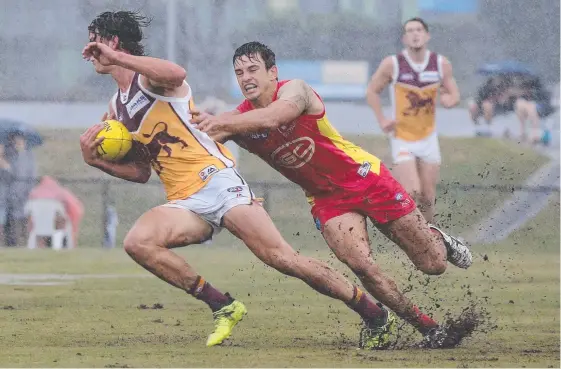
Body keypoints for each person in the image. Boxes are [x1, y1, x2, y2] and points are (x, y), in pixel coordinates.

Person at [80, 10, 400, 349]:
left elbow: (177, 73)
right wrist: (96, 162)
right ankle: (224, 306)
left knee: (284, 260)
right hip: (184, 201)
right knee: (137, 242)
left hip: (217, 182)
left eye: (94, 39)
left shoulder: (148, 80)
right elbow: (142, 172)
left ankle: (374, 313)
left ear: (112, 42)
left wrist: (118, 59)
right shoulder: (116, 107)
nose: (88, 50)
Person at [191, 41, 473, 349]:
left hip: (366, 178)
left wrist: (219, 120)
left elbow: (275, 117)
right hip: (327, 200)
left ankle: (436, 238)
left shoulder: (295, 90)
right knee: (362, 266)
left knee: (433, 265)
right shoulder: (237, 121)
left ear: (273, 72)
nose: (246, 77)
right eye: (239, 72)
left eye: (253, 69)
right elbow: (191, 147)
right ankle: (428, 328)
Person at [366, 17, 460, 224]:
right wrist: (382, 119)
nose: (415, 34)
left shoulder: (440, 64)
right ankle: (411, 237)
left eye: (419, 30)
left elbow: (454, 94)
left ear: (427, 36)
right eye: (410, 31)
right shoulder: (393, 64)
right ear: (404, 38)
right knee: (411, 191)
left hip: (428, 137)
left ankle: (429, 239)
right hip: (402, 137)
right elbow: (372, 91)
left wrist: (449, 100)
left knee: (427, 196)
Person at [6, 132, 36, 246]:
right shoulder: (12, 157)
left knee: (25, 218)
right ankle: (16, 242)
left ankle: (25, 242)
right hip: (13, 194)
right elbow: (10, 175)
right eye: (16, 142)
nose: (17, 145)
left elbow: (32, 175)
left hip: (25, 193)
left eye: (20, 142)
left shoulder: (29, 157)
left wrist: (29, 190)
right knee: (14, 219)